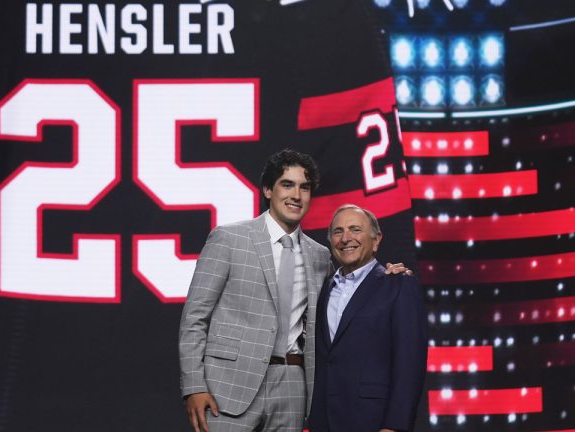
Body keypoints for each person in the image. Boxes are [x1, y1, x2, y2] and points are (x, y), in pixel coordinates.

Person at [179, 151, 410, 432]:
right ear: (268, 189)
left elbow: (346, 295)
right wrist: (194, 385)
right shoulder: (229, 238)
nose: (296, 195)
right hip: (228, 386)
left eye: (305, 187)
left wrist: (383, 274)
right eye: (287, 184)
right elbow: (195, 318)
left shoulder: (320, 256)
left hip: (292, 386)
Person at [308, 205, 428, 432]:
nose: (346, 238)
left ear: (376, 240)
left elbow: (409, 365)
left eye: (355, 229)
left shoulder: (399, 286)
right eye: (338, 231)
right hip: (324, 422)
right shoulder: (322, 289)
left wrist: (395, 426)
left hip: (374, 421)